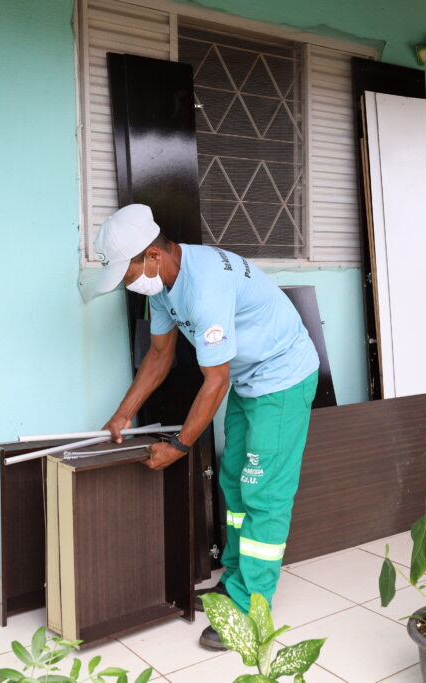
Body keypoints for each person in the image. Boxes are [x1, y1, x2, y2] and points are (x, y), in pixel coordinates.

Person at [94, 204, 319, 650]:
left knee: (263, 491)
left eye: (127, 272)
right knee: (234, 479)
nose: (126, 281)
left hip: (282, 378)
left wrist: (179, 445)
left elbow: (214, 381)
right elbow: (160, 356)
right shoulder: (161, 287)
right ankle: (235, 580)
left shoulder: (206, 289)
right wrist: (123, 413)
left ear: (153, 257)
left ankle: (252, 609)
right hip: (248, 378)